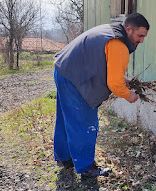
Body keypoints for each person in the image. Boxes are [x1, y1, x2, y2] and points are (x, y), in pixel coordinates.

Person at [53, 13, 149, 179]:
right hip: (75, 80)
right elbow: (114, 85)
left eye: (144, 37)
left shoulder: (111, 32)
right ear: (129, 30)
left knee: (66, 119)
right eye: (140, 36)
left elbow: (104, 61)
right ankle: (86, 167)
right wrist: (128, 95)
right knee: (85, 124)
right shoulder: (119, 45)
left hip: (64, 70)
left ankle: (65, 159)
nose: (141, 40)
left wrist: (122, 79)